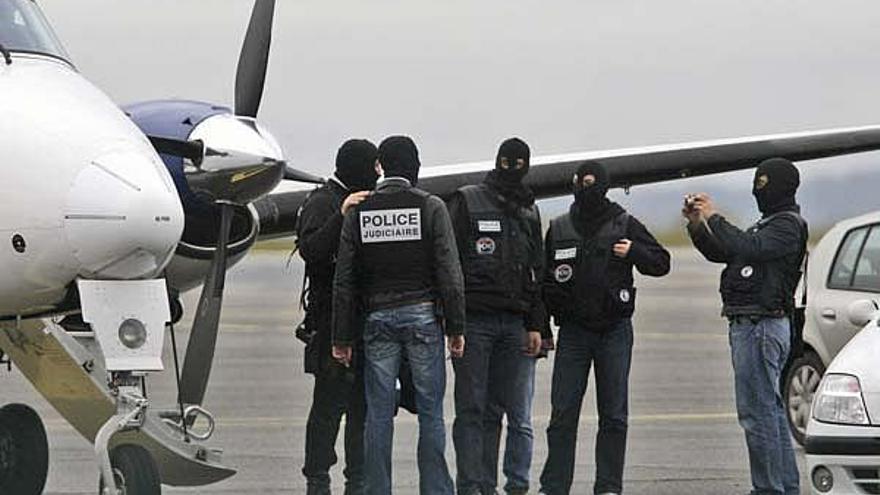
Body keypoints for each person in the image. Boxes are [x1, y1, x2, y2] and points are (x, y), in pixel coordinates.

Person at [332, 135, 466, 495]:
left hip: (377, 319)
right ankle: (436, 489)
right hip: (423, 317)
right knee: (430, 412)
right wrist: (456, 327)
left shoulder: (361, 211)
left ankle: (378, 490)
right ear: (413, 165)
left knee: (377, 415)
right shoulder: (431, 206)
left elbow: (344, 279)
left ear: (381, 166)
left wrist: (341, 337)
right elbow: (450, 273)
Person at [540, 161, 670, 495]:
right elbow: (543, 282)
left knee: (613, 415)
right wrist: (542, 328)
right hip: (573, 334)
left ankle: (609, 487)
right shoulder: (559, 227)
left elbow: (661, 262)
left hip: (613, 331)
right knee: (562, 415)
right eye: (581, 182)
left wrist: (634, 252)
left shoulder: (624, 223)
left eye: (592, 182)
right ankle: (554, 486)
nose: (586, 188)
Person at [684, 158, 806, 495]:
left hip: (761, 325)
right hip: (753, 324)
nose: (758, 191)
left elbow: (747, 247)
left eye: (764, 184)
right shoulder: (767, 225)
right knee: (770, 410)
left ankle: (768, 488)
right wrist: (697, 225)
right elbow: (724, 251)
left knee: (757, 414)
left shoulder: (786, 226)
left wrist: (714, 216)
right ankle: (783, 487)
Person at [447, 137, 547, 495]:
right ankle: (471, 486)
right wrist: (454, 323)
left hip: (515, 322)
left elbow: (537, 269)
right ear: (497, 161)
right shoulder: (467, 200)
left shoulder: (529, 209)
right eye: (507, 162)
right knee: (471, 407)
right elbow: (450, 264)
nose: (512, 169)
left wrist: (537, 324)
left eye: (519, 163)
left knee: (498, 410)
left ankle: (491, 485)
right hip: (475, 321)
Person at [296, 139, 379, 495]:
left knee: (362, 408)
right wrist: (341, 213)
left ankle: (357, 480)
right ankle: (318, 479)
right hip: (330, 323)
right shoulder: (322, 202)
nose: (378, 173)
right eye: (373, 166)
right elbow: (311, 252)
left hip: (367, 323)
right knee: (327, 408)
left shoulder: (370, 203)